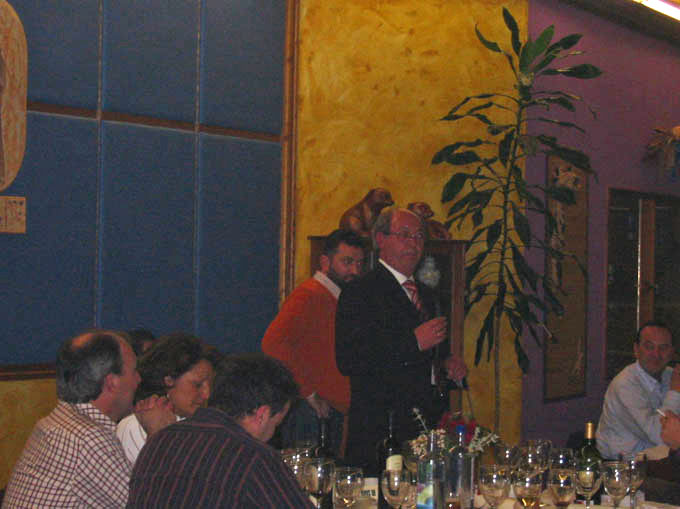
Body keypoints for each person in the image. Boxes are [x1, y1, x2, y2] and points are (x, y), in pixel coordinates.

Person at [335, 208, 467, 475]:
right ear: (381, 239)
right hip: (382, 430)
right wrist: (413, 342)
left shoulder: (428, 295)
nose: (413, 243)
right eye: (404, 235)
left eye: (419, 237)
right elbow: (350, 359)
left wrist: (447, 363)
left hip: (427, 427)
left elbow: (433, 353)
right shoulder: (360, 292)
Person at [127, 353, 313, 508]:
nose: (272, 434)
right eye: (276, 424)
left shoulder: (158, 441)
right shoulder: (254, 458)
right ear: (262, 415)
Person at [2, 329, 156, 508]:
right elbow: (150, 503)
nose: (138, 379)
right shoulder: (88, 438)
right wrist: (159, 433)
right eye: (134, 371)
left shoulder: (56, 421)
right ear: (112, 383)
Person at [261, 228, 365, 453]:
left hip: (329, 409)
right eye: (347, 262)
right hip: (313, 412)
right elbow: (272, 343)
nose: (355, 271)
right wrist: (308, 393)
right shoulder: (309, 295)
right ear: (325, 262)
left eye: (359, 263)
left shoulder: (336, 297)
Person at [116, 332, 219, 464]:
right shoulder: (135, 425)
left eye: (211, 384)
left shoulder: (206, 423)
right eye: (197, 385)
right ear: (169, 380)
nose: (207, 394)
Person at [597, 321, 680, 459]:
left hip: (660, 461)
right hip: (623, 465)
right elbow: (660, 435)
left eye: (663, 348)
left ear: (672, 352)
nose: (656, 354)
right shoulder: (625, 384)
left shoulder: (670, 375)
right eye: (649, 347)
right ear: (636, 350)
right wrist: (676, 392)